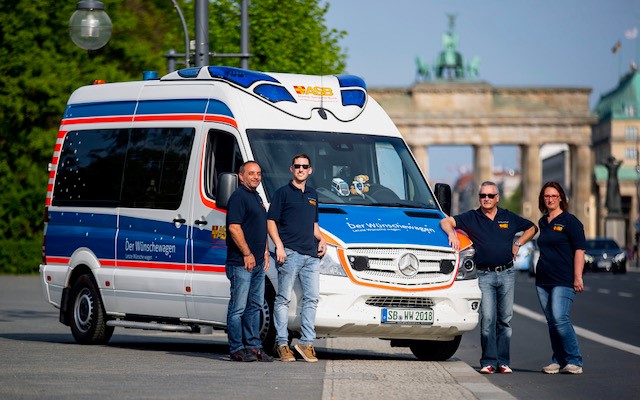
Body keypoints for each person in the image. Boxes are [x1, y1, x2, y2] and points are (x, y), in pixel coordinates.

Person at [440, 181, 537, 374]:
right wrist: (452, 234)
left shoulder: (507, 217)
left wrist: (518, 243)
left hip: (507, 273)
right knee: (488, 320)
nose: (486, 199)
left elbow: (533, 227)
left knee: (505, 320)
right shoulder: (472, 217)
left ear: (497, 198)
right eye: (483, 196)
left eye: (490, 196)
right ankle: (488, 361)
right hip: (484, 274)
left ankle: (503, 361)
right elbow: (445, 221)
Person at [267, 154, 327, 362]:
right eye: (297, 166)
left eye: (305, 166)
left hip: (311, 255)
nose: (301, 169)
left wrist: (322, 240)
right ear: (291, 169)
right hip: (290, 252)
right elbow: (271, 222)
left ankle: (306, 343)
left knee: (312, 298)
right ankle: (282, 343)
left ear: (310, 170)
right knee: (283, 298)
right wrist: (279, 246)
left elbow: (313, 225)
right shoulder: (282, 193)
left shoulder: (312, 194)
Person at [535, 182, 585, 374]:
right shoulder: (543, 222)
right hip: (543, 279)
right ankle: (558, 359)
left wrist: (577, 277)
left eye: (554, 196)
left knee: (560, 317)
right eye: (547, 196)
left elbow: (580, 250)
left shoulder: (571, 222)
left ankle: (574, 360)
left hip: (563, 279)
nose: (550, 199)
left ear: (561, 198)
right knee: (551, 321)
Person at [225, 161, 273, 362]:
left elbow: (258, 227)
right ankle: (237, 348)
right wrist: (247, 253)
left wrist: (265, 251)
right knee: (238, 308)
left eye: (259, 173)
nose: (256, 177)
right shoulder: (238, 197)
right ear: (241, 176)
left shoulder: (256, 197)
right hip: (241, 262)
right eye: (251, 173)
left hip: (258, 262)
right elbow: (234, 228)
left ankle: (254, 346)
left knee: (254, 306)